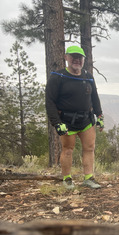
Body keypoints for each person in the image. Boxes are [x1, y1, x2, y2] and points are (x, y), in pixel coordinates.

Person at [45, 45, 104, 190]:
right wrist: (57, 123)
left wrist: (100, 115)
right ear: (66, 57)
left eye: (80, 57)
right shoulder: (57, 77)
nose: (76, 60)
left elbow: (94, 98)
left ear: (84, 59)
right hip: (66, 121)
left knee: (89, 148)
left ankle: (89, 178)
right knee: (68, 150)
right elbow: (50, 102)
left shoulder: (88, 76)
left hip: (86, 120)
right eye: (73, 57)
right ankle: (67, 179)